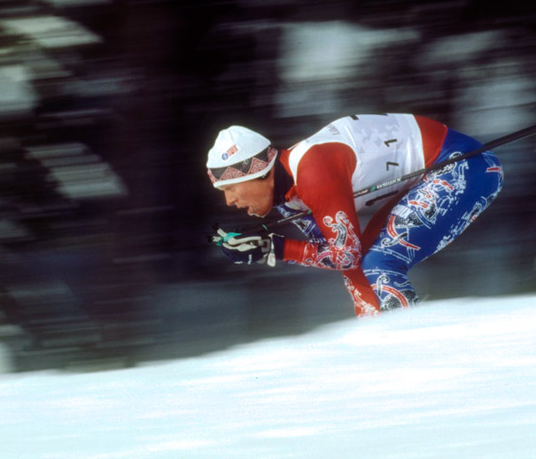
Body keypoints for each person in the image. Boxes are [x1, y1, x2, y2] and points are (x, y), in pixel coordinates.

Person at [207, 114, 503, 316]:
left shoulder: (312, 171)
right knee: (364, 267)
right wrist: (270, 247)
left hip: (466, 165)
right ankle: (380, 347)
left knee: (380, 263)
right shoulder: (288, 199)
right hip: (434, 173)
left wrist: (277, 248)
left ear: (258, 172)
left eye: (230, 187)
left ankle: (409, 347)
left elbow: (344, 254)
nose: (229, 200)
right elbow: (342, 258)